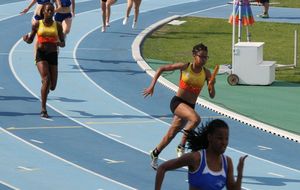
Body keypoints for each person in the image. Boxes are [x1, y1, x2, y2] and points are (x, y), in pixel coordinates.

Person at [143, 43, 216, 169]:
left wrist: (211, 86)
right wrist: (151, 86)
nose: (204, 60)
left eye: (206, 57)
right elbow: (161, 69)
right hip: (178, 103)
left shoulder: (207, 73)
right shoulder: (184, 66)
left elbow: (212, 95)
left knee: (171, 134)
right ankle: (181, 145)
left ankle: (155, 153)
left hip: (189, 107)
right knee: (196, 119)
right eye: (201, 57)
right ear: (194, 55)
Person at [155, 119, 248, 190]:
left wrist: (239, 173)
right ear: (210, 137)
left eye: (226, 138)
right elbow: (162, 168)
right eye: (220, 138)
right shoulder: (196, 158)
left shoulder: (227, 162)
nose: (224, 142)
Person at [23, 2, 65, 118]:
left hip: (53, 54)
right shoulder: (37, 24)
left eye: (52, 10)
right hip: (41, 54)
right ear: (43, 12)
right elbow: (31, 40)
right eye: (48, 10)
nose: (50, 12)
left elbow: (63, 43)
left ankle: (45, 86)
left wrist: (58, 43)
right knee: (46, 79)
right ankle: (43, 109)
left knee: (52, 86)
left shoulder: (57, 25)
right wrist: (26, 39)